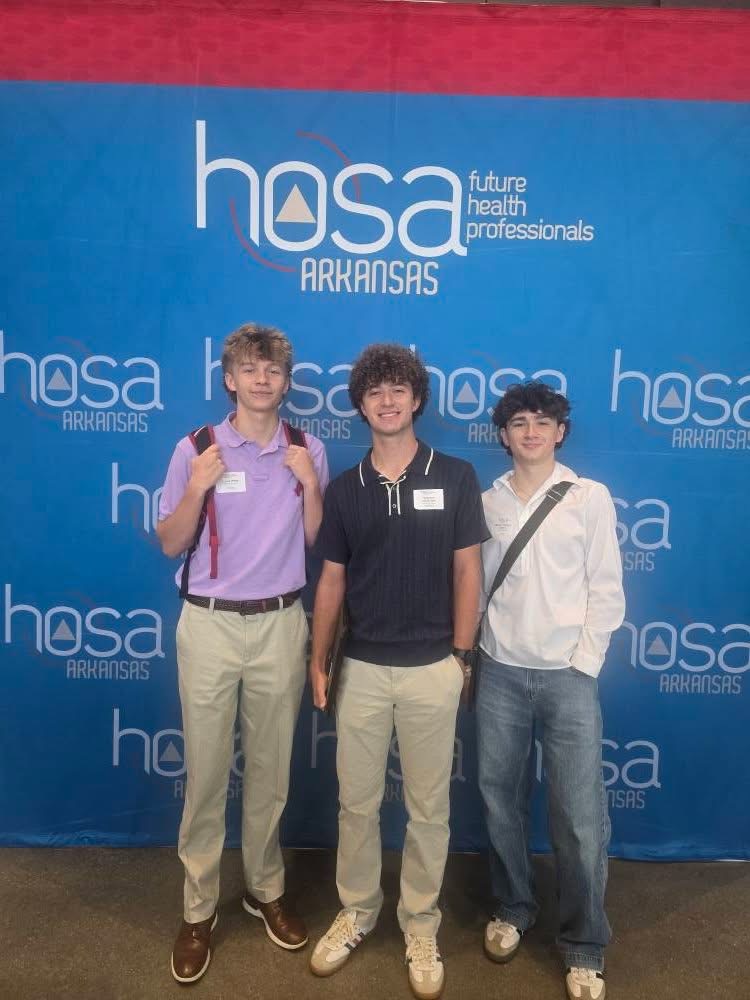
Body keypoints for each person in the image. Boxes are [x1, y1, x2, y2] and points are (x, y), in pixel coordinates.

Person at [308, 343, 488, 1000]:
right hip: (360, 669)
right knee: (355, 804)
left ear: (416, 399)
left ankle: (420, 923)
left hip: (433, 667)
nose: (387, 401)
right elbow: (331, 582)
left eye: (398, 389)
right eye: (374, 391)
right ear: (360, 405)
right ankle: (358, 911)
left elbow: (468, 570)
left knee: (429, 810)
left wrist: (461, 656)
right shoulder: (344, 489)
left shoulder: (457, 476)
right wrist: (318, 661)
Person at [157, 323, 328, 984]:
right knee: (205, 774)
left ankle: (264, 889)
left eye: (273, 370)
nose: (262, 379)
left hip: (281, 622)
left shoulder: (307, 449)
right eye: (249, 369)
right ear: (229, 379)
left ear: (285, 383)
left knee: (270, 771)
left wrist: (310, 485)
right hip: (209, 626)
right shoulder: (197, 448)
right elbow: (171, 542)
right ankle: (197, 909)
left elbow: (315, 541)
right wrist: (197, 488)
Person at [475, 381, 625, 1000]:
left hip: (568, 676)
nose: (531, 431)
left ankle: (584, 944)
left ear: (560, 432)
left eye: (542, 421)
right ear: (503, 435)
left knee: (580, 816)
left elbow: (606, 588)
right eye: (519, 422)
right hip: (499, 670)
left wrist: (583, 662)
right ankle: (513, 906)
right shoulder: (486, 501)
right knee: (499, 800)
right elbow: (474, 585)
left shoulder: (589, 497)